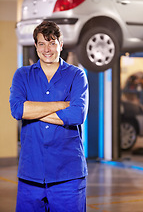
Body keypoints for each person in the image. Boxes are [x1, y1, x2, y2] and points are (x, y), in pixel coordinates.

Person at [9, 21, 89, 212]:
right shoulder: (22, 75)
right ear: (35, 47)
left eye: (52, 43)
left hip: (68, 174)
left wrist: (33, 111)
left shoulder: (77, 76)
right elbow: (17, 110)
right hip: (31, 174)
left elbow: (77, 114)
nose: (47, 49)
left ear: (61, 45)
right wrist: (62, 106)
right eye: (42, 43)